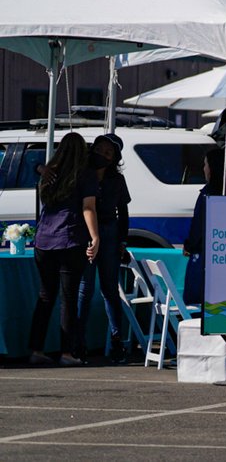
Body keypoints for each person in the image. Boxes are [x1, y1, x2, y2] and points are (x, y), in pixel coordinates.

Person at [28, 132, 99, 366]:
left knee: (46, 295)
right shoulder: (85, 174)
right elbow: (88, 208)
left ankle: (35, 349)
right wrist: (95, 237)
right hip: (70, 238)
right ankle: (67, 353)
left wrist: (40, 168)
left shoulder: (49, 174)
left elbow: (32, 164)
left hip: (44, 240)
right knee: (68, 298)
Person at [76, 133, 132, 363]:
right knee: (84, 290)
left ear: (114, 159)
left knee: (110, 289)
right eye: (100, 149)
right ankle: (78, 343)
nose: (102, 154)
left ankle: (117, 341)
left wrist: (122, 241)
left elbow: (124, 213)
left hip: (109, 234)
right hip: (84, 234)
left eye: (108, 153)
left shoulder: (117, 181)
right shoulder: (81, 174)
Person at [183, 147, 226, 305]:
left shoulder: (207, 194)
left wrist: (189, 245)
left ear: (213, 168)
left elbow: (198, 227)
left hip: (203, 260)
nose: (203, 168)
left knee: (196, 301)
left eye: (205, 164)